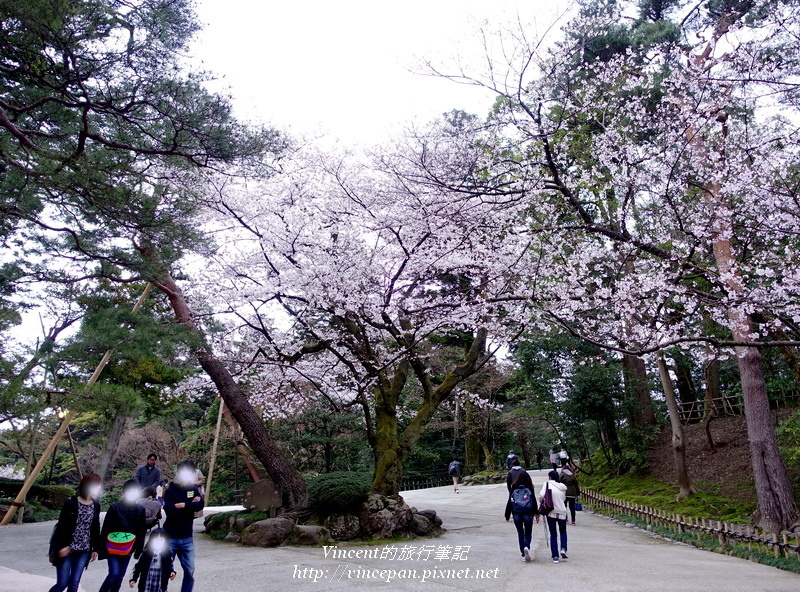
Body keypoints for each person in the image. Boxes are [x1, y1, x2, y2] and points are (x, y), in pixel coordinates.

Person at [48, 473, 103, 592]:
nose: (99, 488)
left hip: (84, 549)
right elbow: (61, 526)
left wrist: (95, 548)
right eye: (96, 486)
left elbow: (95, 528)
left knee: (74, 585)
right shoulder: (71, 503)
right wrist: (61, 547)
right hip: (67, 548)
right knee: (63, 583)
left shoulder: (96, 505)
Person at [99, 479, 147, 592]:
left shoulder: (140, 510)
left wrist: (138, 550)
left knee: (119, 577)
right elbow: (106, 529)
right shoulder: (114, 508)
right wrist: (101, 548)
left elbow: (141, 531)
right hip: (113, 546)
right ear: (124, 493)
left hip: (128, 548)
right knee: (114, 574)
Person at [164, 460, 205, 592]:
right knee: (165, 569)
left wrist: (184, 505)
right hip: (170, 537)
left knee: (190, 570)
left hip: (187, 537)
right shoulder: (170, 491)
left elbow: (200, 505)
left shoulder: (192, 490)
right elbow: (170, 511)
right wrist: (190, 506)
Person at [504, 459, 539, 562]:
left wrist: (507, 514)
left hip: (517, 513)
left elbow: (509, 501)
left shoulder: (514, 487)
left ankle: (523, 554)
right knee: (528, 532)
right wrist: (536, 513)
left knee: (520, 533)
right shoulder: (530, 488)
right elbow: (534, 501)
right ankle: (527, 546)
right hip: (528, 513)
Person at [539, 470, 568, 564]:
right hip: (562, 512)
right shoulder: (563, 487)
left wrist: (541, 502)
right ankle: (563, 548)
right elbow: (563, 499)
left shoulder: (547, 484)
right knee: (563, 531)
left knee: (553, 534)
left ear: (550, 477)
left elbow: (542, 495)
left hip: (551, 511)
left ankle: (555, 556)